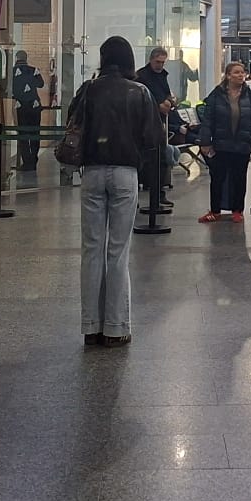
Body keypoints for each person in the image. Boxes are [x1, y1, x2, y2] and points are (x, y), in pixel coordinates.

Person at [72, 36, 165, 348]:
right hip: (126, 173)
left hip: (92, 173)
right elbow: (153, 138)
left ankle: (90, 326)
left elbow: (72, 124)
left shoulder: (89, 89)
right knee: (118, 250)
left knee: (91, 249)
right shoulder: (140, 92)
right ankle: (116, 327)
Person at [196, 59, 251, 222]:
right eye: (236, 72)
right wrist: (205, 141)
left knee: (239, 178)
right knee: (218, 177)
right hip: (221, 144)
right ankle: (215, 210)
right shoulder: (217, 94)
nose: (241, 75)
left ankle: (237, 210)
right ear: (228, 76)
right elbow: (208, 119)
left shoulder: (250, 95)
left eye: (242, 72)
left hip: (242, 145)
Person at [11, 50, 45, 170]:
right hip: (35, 105)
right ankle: (34, 160)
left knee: (23, 134)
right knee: (35, 133)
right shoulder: (33, 69)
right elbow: (41, 84)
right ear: (26, 58)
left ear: (16, 58)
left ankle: (27, 162)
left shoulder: (12, 71)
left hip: (21, 106)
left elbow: (8, 88)